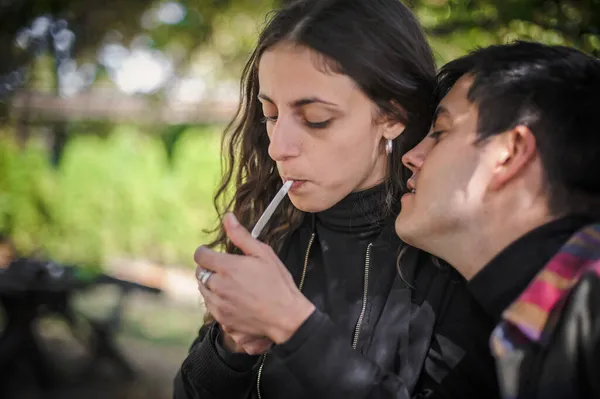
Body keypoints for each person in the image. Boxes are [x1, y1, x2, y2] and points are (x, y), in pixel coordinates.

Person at [174, 1, 499, 398]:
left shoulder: (449, 256)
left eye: (315, 119)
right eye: (271, 114)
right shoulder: (274, 232)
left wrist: (294, 326)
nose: (278, 147)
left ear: (392, 116)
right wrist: (228, 345)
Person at [395, 41, 600, 399]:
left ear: (510, 153)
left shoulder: (591, 308)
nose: (411, 156)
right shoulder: (511, 327)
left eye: (440, 133)